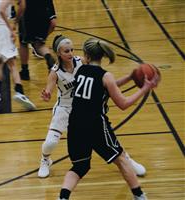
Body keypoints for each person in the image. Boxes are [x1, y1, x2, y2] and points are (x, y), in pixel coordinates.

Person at [57, 38, 160, 200]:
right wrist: (145, 89)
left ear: (87, 56)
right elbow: (123, 103)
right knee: (121, 159)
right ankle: (139, 196)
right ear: (102, 55)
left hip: (75, 125)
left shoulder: (81, 71)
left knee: (80, 166)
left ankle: (63, 197)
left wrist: (129, 77)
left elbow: (106, 87)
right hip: (95, 125)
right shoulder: (105, 76)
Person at [38, 35, 147, 178]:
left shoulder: (82, 62)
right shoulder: (55, 72)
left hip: (83, 107)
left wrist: (129, 77)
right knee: (50, 143)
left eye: (72, 50)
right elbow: (49, 89)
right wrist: (47, 94)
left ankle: (126, 159)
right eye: (66, 51)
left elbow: (104, 82)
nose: (70, 53)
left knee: (105, 136)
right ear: (58, 53)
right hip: (64, 108)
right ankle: (45, 159)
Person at [0, 0, 36, 111]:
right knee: (12, 63)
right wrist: (12, 27)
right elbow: (4, 10)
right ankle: (19, 92)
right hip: (0, 30)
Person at [18, 0, 57, 80]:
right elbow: (53, 23)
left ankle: (25, 72)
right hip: (43, 15)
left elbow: (22, 4)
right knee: (40, 45)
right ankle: (48, 57)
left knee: (23, 43)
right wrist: (43, 37)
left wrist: (16, 20)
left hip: (27, 15)